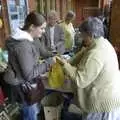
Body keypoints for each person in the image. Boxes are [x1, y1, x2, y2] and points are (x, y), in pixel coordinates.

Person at [55, 17, 120, 120]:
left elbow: (80, 79)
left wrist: (65, 65)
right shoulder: (100, 43)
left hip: (101, 105)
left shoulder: (96, 53)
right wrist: (68, 61)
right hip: (108, 97)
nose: (81, 37)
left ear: (92, 35)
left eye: (83, 35)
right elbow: (83, 53)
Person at [4, 11, 50, 120]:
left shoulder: (29, 39)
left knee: (31, 111)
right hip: (23, 86)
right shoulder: (23, 46)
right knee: (30, 114)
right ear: (32, 27)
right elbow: (29, 74)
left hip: (24, 83)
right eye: (42, 28)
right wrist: (47, 64)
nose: (43, 31)